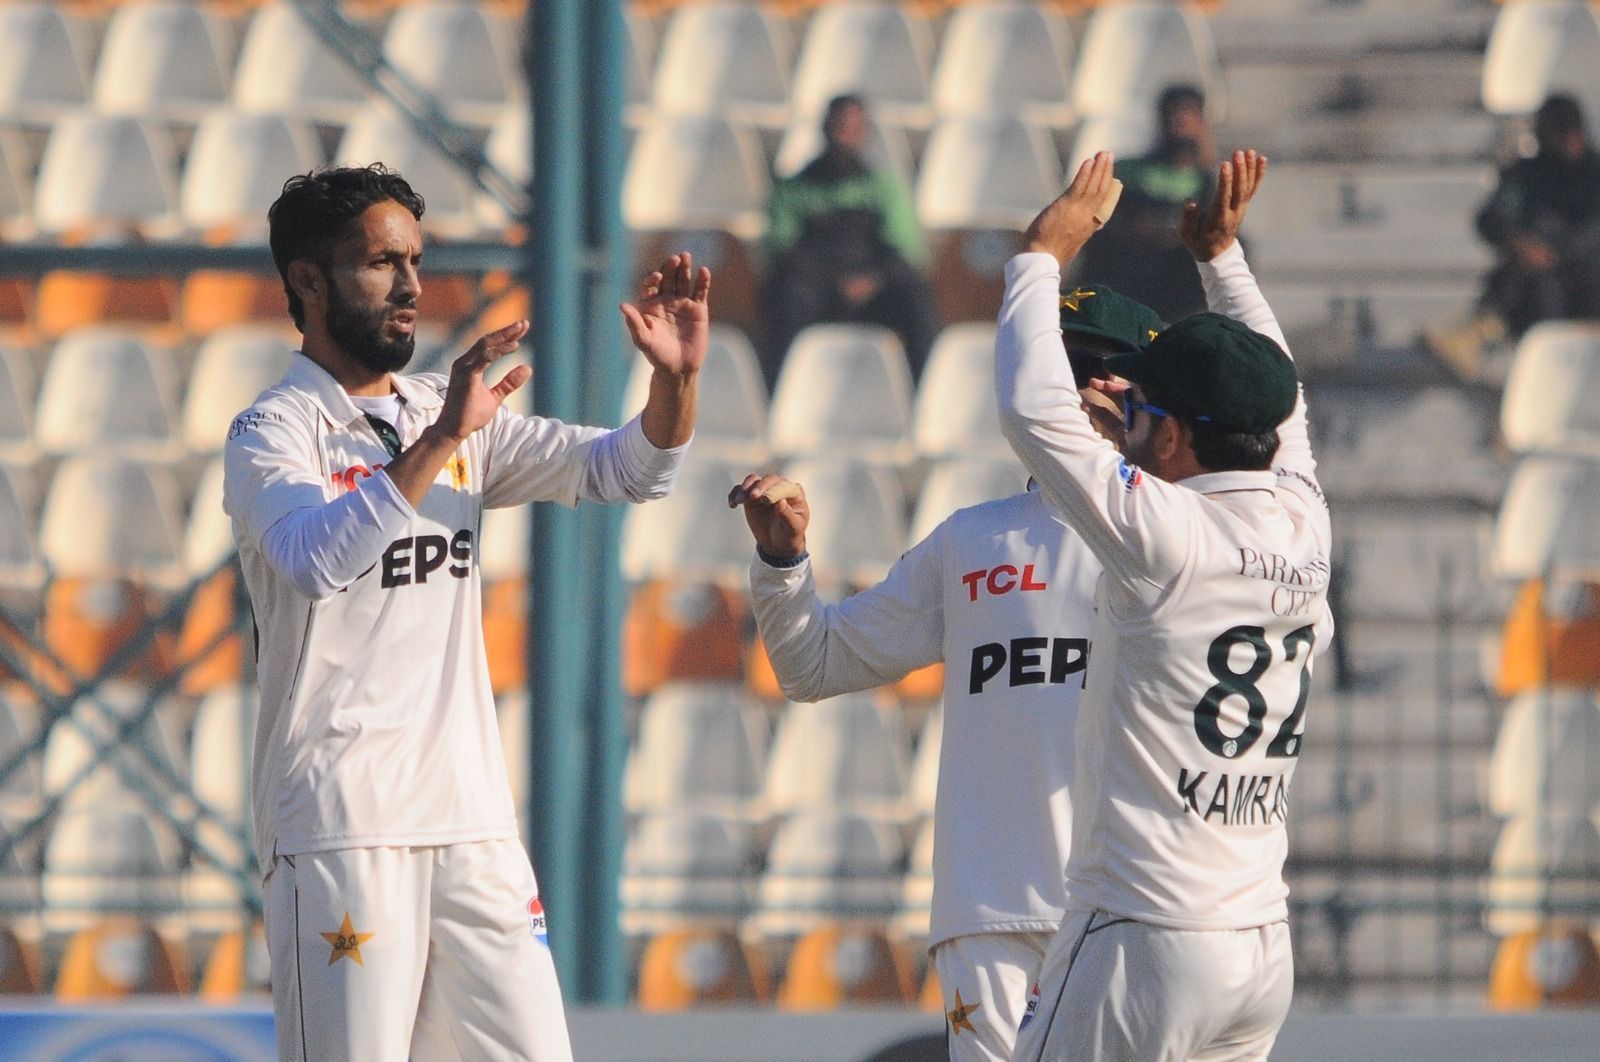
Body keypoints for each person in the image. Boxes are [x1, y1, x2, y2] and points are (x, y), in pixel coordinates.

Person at [223, 164, 709, 1061]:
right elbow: (315, 561)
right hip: (343, 823)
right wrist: (444, 438)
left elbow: (630, 469)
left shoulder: (439, 410)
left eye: (416, 260)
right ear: (307, 281)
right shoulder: (272, 430)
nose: (411, 286)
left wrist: (675, 384)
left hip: (473, 822)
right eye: (381, 264)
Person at [728, 285, 1160, 1062]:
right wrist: (783, 562)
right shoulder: (972, 539)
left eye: (1093, 366)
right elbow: (813, 665)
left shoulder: (1180, 535)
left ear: (1138, 390)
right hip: (988, 909)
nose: (1069, 386)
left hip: (1130, 905)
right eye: (1054, 364)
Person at [1001, 150, 1332, 1061]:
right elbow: (1285, 394)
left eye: (1141, 409)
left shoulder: (1165, 538)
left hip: (1142, 934)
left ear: (1177, 435)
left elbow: (1034, 410)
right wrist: (1220, 260)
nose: (1124, 415)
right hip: (1258, 948)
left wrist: (1039, 254)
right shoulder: (1305, 519)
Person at [761, 93, 940, 386]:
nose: (844, 136)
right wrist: (834, 282)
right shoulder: (794, 189)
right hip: (817, 289)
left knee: (914, 297)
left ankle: (924, 391)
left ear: (864, 134)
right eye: (838, 127)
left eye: (853, 129)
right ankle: (778, 392)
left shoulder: (883, 187)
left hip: (874, 291)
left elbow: (906, 249)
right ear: (824, 130)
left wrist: (870, 282)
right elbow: (782, 248)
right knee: (786, 298)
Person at [1427, 94, 1600, 379]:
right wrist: (1519, 242)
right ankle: (1479, 337)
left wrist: (1558, 252)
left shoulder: (1595, 175)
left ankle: (1482, 336)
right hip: (1537, 290)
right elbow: (1492, 220)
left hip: (1588, 285)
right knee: (1527, 275)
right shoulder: (1529, 174)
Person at [1079, 84, 1216, 322]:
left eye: (1189, 112)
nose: (1180, 120)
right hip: (1129, 269)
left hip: (1176, 279)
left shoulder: (1205, 182)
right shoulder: (1128, 171)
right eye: (1174, 111)